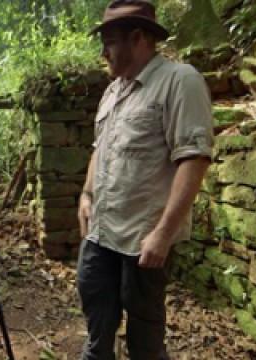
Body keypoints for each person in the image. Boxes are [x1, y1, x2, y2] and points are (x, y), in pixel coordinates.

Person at [76, 1, 214, 359]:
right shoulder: (112, 92)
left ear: (137, 38)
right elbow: (99, 149)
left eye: (109, 42)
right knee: (95, 320)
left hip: (142, 240)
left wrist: (163, 234)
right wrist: (86, 195)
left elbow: (194, 159)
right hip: (101, 230)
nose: (103, 53)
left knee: (145, 342)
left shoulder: (179, 81)